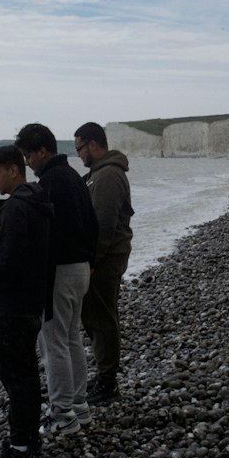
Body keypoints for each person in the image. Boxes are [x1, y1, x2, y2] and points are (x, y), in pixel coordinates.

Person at [15, 123, 99, 437]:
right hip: (80, 268)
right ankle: (79, 407)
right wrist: (90, 260)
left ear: (43, 151)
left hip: (60, 271)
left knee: (54, 344)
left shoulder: (50, 183)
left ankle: (62, 415)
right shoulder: (75, 178)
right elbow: (93, 223)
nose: (27, 162)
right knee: (72, 339)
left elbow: (45, 237)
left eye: (28, 155)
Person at [0, 144, 52, 458]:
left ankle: (20, 446)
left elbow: (7, 259)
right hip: (33, 301)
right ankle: (28, 440)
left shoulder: (16, 208)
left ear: (13, 169)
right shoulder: (38, 201)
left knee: (13, 371)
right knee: (25, 372)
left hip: (13, 305)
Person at [73, 121, 133, 405]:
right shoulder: (101, 173)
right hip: (107, 257)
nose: (79, 156)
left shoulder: (107, 175)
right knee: (99, 316)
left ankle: (108, 382)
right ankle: (105, 376)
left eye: (79, 149)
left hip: (106, 260)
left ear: (93, 145)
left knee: (101, 317)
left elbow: (104, 224)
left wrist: (93, 261)